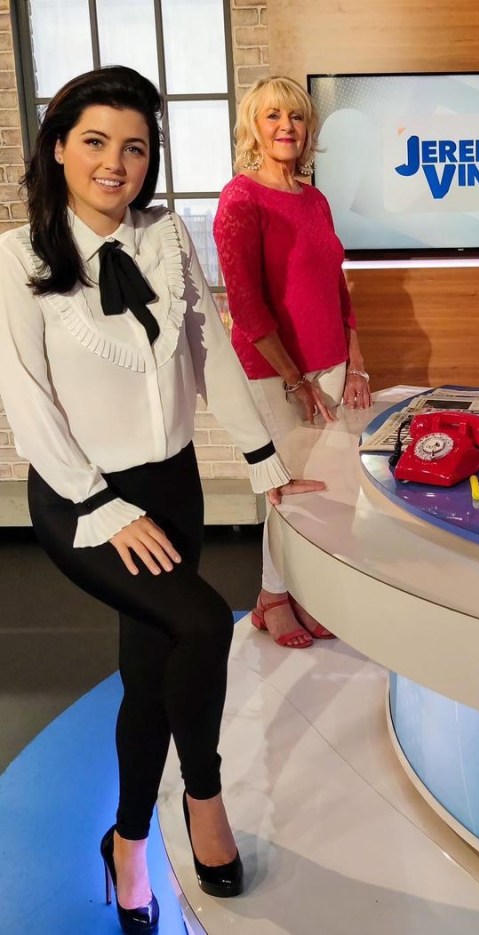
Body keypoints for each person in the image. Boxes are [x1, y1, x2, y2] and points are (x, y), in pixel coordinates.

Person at [0, 66, 324, 933]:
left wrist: (264, 460)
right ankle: (205, 797)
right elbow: (29, 409)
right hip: (81, 499)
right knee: (199, 621)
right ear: (59, 146)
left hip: (172, 482)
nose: (117, 162)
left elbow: (210, 351)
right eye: (96, 141)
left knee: (149, 673)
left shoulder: (169, 236)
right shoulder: (17, 253)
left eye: (135, 146)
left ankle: (128, 844)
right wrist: (104, 507)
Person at [214, 76, 370, 649]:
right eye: (274, 116)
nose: (287, 127)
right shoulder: (241, 199)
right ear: (254, 127)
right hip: (273, 373)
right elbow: (248, 310)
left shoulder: (315, 197)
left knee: (325, 489)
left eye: (297, 117)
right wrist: (296, 379)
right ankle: (274, 599)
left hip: (329, 365)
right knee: (287, 490)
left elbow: (337, 286)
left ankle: (303, 593)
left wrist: (355, 364)